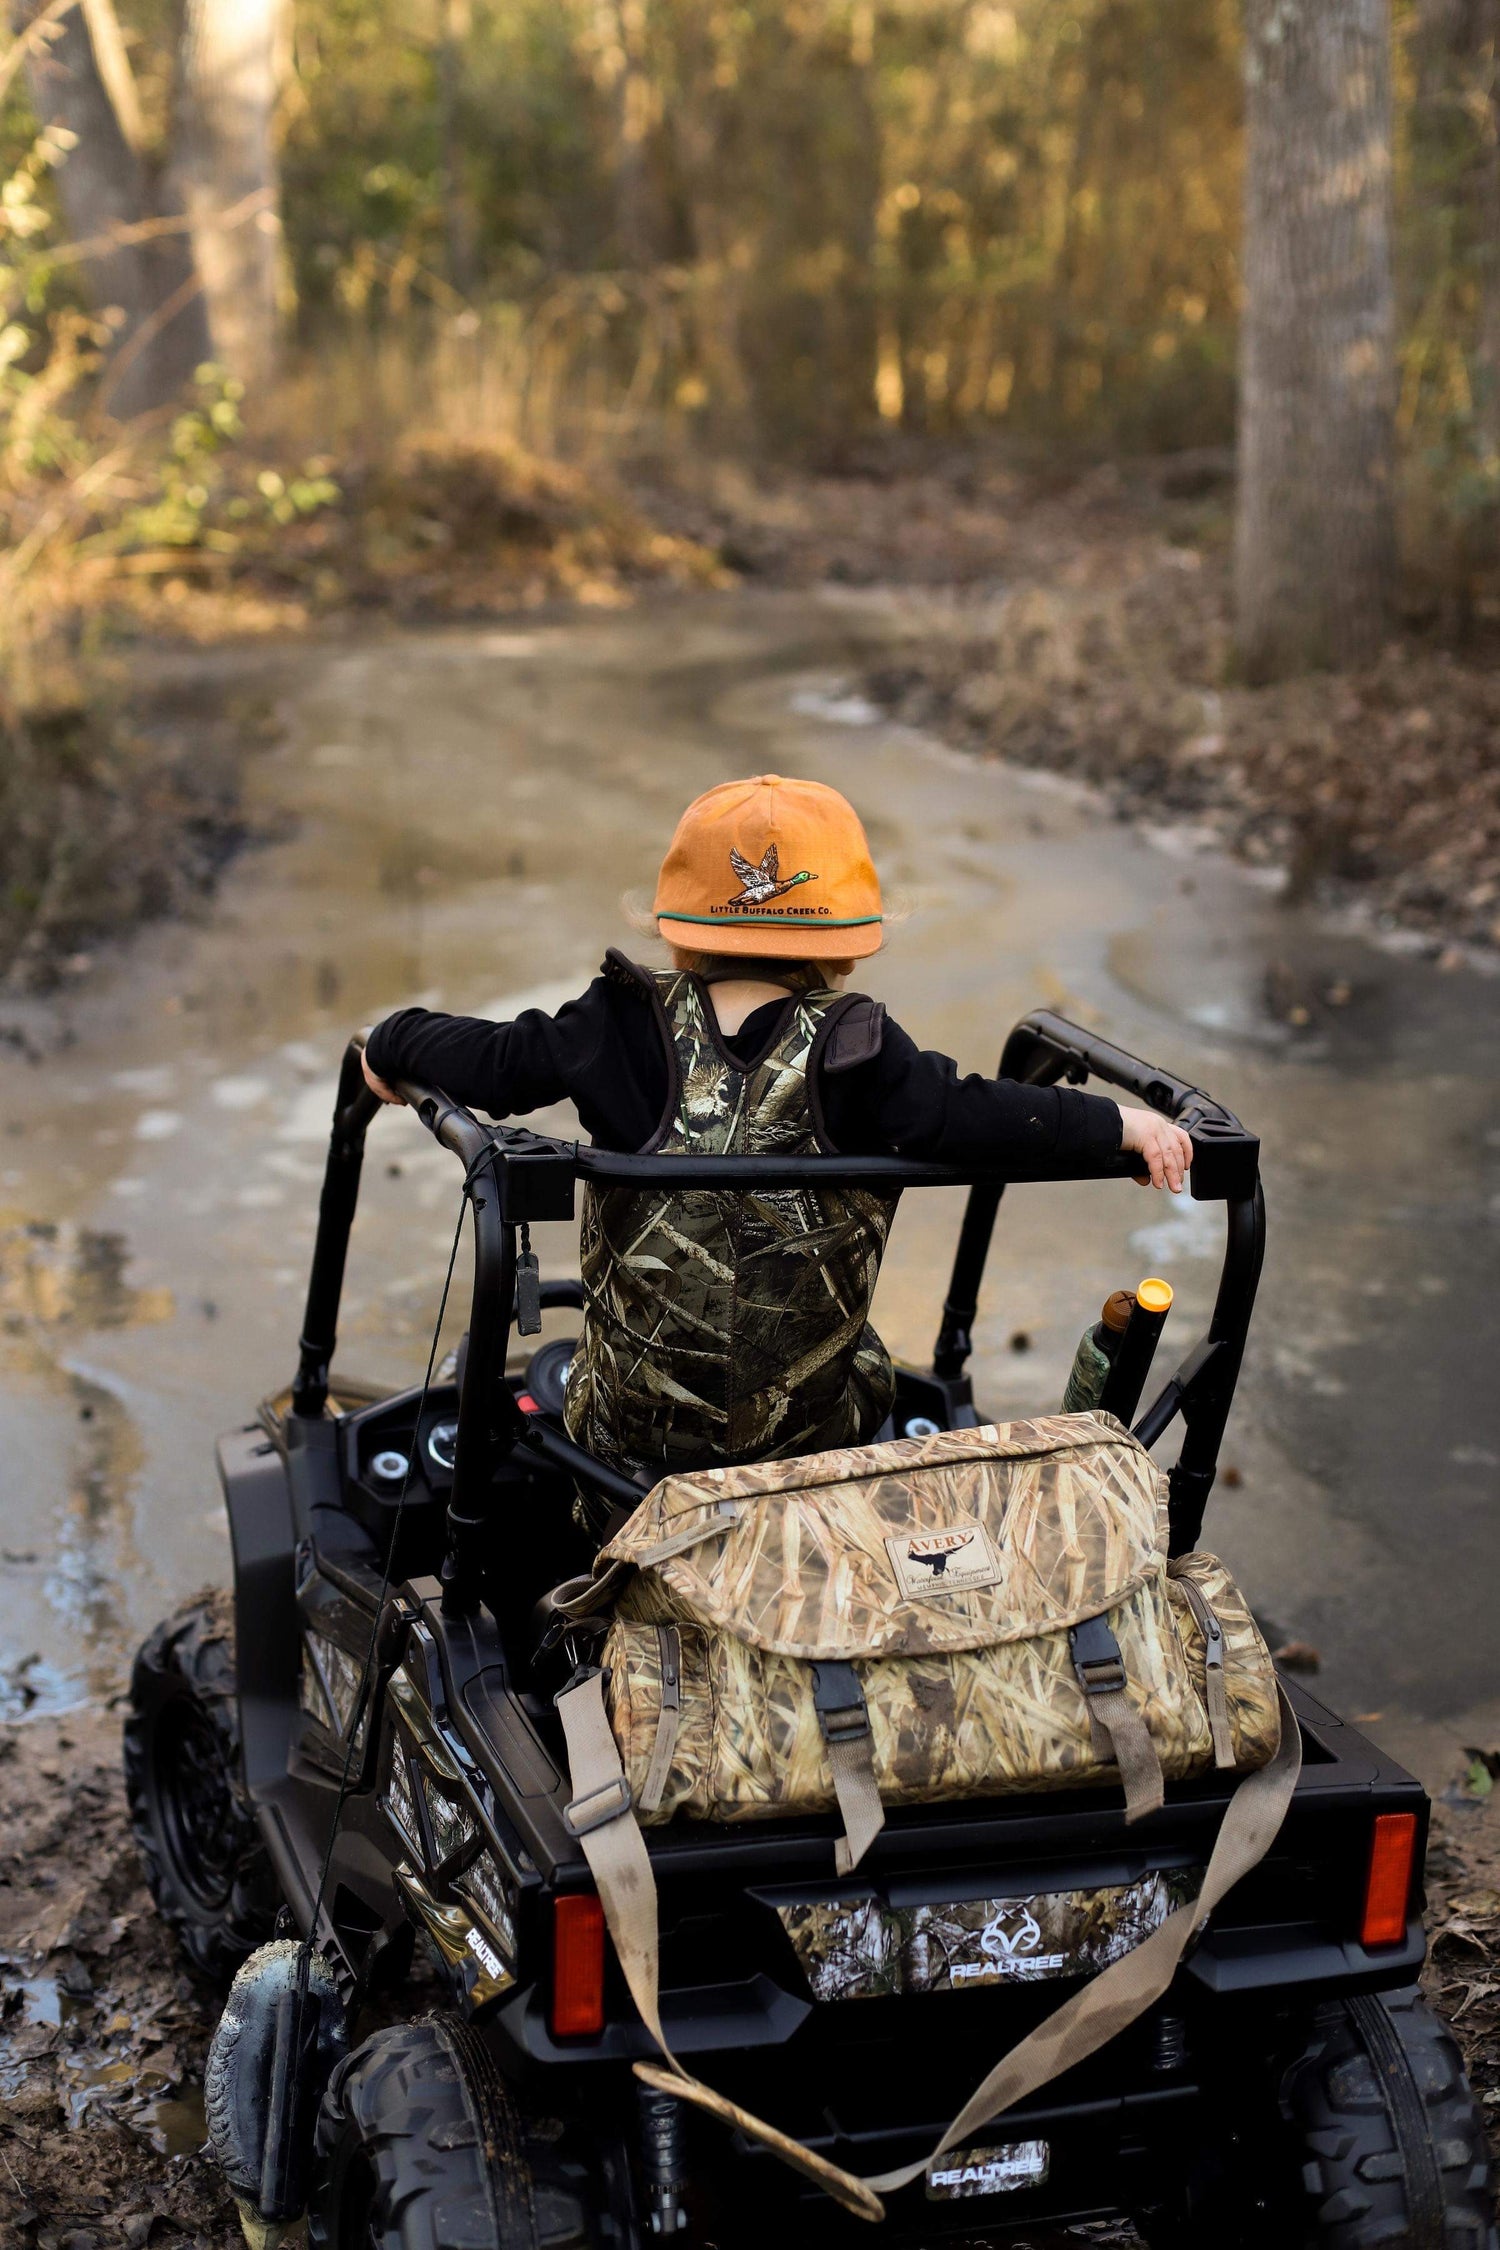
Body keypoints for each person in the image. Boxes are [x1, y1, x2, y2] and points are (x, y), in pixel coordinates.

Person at [362, 773, 1191, 1479]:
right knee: (872, 1362)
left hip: (628, 1438)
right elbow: (976, 1116)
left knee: (584, 1377)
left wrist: (391, 1042)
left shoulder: (615, 1021)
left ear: (679, 930)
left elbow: (495, 1061)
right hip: (804, 1443)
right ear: (845, 943)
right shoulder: (860, 1048)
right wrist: (1115, 1124)